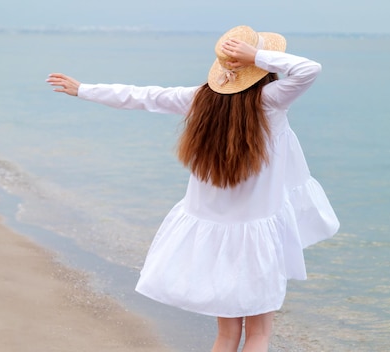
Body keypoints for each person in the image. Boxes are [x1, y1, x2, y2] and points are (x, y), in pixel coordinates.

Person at [46, 25, 339, 352]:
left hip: (216, 240)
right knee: (259, 335)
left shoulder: (201, 100)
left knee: (226, 335)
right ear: (263, 71)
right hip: (258, 240)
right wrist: (255, 55)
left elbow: (143, 96)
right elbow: (309, 69)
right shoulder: (270, 101)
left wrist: (84, 89)